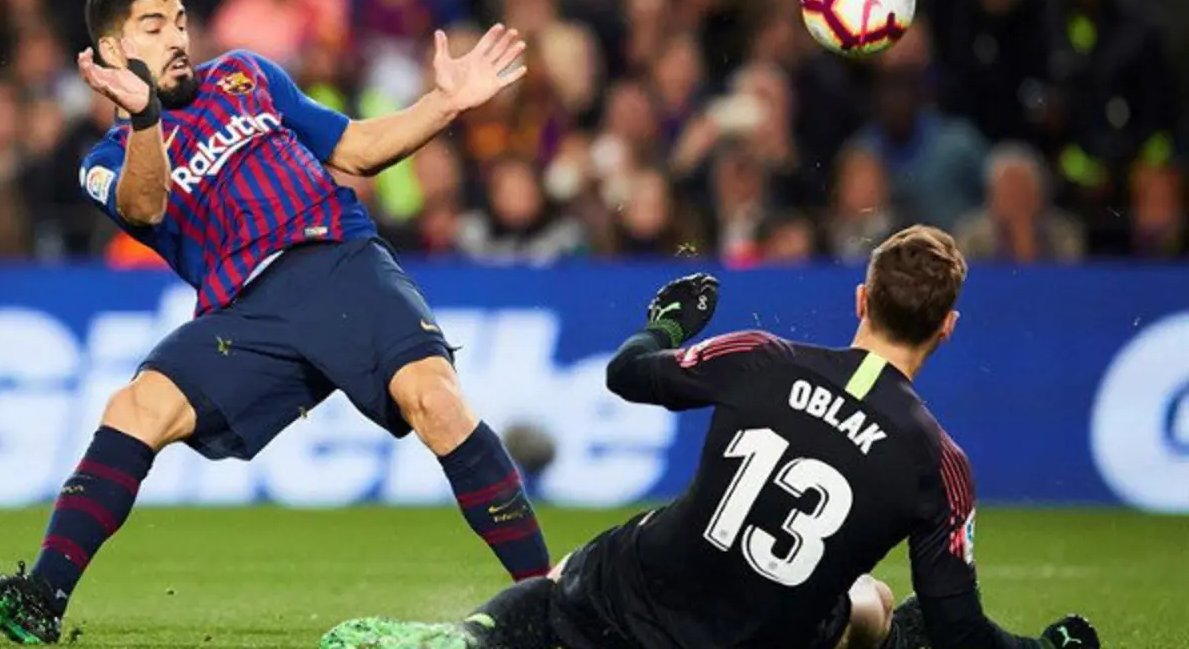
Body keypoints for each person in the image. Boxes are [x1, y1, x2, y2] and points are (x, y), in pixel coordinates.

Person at [0, 0, 551, 644]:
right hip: (243, 313)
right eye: (154, 27)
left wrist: (444, 104)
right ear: (113, 52)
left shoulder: (245, 74)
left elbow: (353, 147)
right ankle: (43, 596)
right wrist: (147, 117)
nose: (178, 37)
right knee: (135, 408)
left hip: (338, 262)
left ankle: (553, 608)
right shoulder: (106, 158)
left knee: (434, 399)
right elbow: (146, 205)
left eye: (180, 21)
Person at [319, 226, 1101, 649]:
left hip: (633, 594)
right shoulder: (940, 464)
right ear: (948, 328)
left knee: (567, 581)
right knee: (873, 603)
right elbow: (963, 630)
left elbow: (629, 375)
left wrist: (666, 322)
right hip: (761, 636)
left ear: (862, 298)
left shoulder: (762, 357)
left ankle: (474, 637)